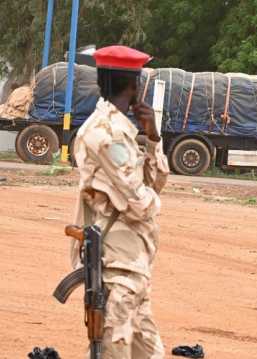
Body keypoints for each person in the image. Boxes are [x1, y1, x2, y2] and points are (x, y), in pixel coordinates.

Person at [71, 45, 168, 358]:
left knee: (150, 352)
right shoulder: (106, 133)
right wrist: (153, 202)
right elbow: (141, 201)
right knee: (113, 349)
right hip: (117, 265)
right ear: (134, 85)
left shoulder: (122, 130)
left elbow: (153, 184)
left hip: (133, 265)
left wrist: (153, 138)